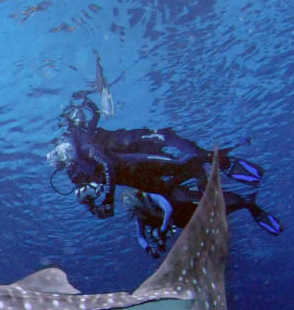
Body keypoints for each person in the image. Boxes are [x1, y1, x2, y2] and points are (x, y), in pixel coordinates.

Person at [48, 91, 282, 257]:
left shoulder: (87, 148)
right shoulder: (76, 171)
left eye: (62, 154)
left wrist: (108, 199)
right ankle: (212, 185)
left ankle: (220, 160)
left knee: (180, 162)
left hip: (138, 159)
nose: (64, 159)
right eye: (60, 160)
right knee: (173, 184)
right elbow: (96, 201)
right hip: (137, 178)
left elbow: (108, 165)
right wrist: (94, 205)